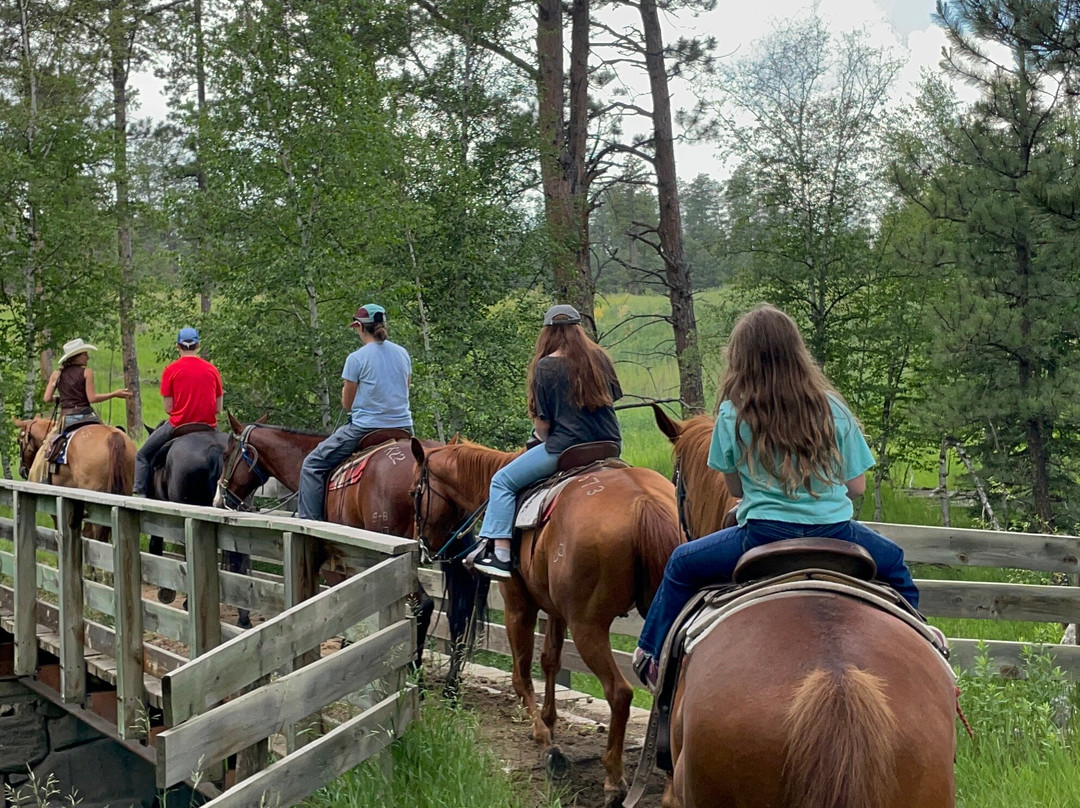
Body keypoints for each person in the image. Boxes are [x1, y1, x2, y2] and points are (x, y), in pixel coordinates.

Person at [633, 303, 919, 690]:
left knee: (682, 562)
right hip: (836, 535)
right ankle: (922, 647)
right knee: (896, 565)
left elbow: (734, 491)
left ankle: (651, 658)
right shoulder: (833, 409)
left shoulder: (732, 415)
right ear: (797, 352)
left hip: (763, 536)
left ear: (740, 359)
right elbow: (857, 488)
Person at [473, 304, 623, 579]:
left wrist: (540, 437)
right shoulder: (600, 357)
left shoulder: (546, 366)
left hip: (567, 450)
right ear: (579, 328)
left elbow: (543, 427)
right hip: (609, 445)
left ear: (548, 333)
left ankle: (501, 554)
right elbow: (611, 400)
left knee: (502, 481)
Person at [297, 303, 413, 521]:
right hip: (403, 428)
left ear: (359, 326)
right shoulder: (403, 353)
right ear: (383, 325)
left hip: (365, 429)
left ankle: (310, 526)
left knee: (312, 465)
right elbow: (405, 388)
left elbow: (347, 404)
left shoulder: (356, 358)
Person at [133, 327, 223, 496]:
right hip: (209, 427)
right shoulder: (212, 370)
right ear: (197, 345)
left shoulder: (171, 370)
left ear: (178, 346)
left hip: (178, 425)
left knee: (142, 455)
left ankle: (140, 495)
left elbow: (168, 408)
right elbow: (218, 408)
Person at [30, 338, 132, 481]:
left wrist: (61, 399)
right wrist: (114, 394)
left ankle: (43, 477)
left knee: (47, 448)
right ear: (76, 356)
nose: (88, 357)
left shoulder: (57, 374)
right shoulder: (86, 372)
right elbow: (92, 398)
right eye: (84, 354)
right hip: (88, 416)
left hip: (67, 418)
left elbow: (47, 398)